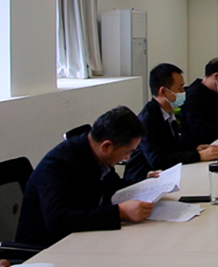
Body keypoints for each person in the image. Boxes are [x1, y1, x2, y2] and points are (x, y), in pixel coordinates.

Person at [15, 106, 156, 247]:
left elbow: (113, 186)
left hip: (83, 239)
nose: (127, 158)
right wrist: (120, 212)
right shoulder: (57, 165)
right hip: (46, 249)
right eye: (127, 152)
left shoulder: (95, 154)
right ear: (106, 146)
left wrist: (145, 183)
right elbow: (59, 221)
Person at [124, 63, 218, 182]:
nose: (184, 92)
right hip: (141, 180)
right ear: (163, 92)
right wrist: (198, 156)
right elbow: (157, 159)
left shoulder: (167, 113)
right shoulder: (147, 120)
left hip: (165, 175)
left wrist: (195, 148)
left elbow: (172, 147)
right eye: (180, 88)